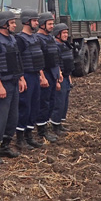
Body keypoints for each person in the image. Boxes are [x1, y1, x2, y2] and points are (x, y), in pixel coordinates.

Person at [0, 11, 27, 164]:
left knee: (12, 117)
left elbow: (17, 62)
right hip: (2, 85)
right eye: (12, 23)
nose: (15, 25)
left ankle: (5, 146)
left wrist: (21, 78)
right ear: (4, 24)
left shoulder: (13, 40)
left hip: (14, 84)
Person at [15, 9, 47, 151]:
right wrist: (21, 78)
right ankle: (20, 138)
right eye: (34, 20)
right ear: (27, 21)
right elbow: (17, 60)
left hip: (35, 75)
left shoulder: (35, 38)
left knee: (34, 106)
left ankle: (29, 135)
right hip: (26, 76)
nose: (37, 23)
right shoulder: (20, 39)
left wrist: (41, 75)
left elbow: (37, 59)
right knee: (24, 107)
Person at [35, 12, 62, 144]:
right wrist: (42, 77)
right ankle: (41, 130)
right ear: (42, 24)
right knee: (43, 103)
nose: (52, 26)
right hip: (44, 75)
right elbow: (37, 61)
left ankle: (46, 126)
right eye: (50, 24)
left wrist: (58, 74)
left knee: (51, 102)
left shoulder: (51, 39)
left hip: (52, 74)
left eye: (53, 24)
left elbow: (55, 58)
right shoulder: (38, 39)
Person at [50, 23, 74, 134]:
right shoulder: (55, 46)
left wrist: (69, 78)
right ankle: (55, 125)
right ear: (57, 34)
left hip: (66, 77)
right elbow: (56, 64)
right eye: (64, 33)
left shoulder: (65, 45)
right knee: (58, 102)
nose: (66, 35)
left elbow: (68, 64)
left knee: (64, 102)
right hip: (59, 78)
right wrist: (57, 81)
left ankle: (59, 123)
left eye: (66, 32)